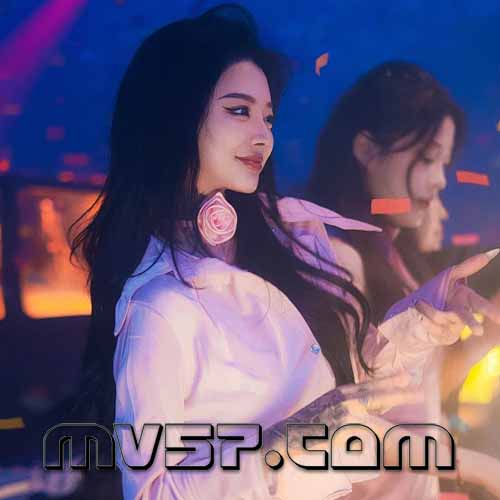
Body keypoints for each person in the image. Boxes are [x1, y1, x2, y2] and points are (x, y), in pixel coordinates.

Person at [69, 10, 500, 500]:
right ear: (176, 118)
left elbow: (348, 399)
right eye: (239, 111)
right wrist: (288, 442)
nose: (262, 136)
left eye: (268, 117)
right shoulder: (160, 307)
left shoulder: (281, 250)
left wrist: (420, 320)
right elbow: (152, 493)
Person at [308, 60, 500, 498]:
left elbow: (412, 399)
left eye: (445, 163)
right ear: (365, 149)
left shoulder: (399, 261)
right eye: (428, 159)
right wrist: (478, 467)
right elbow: (337, 418)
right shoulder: (335, 257)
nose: (439, 181)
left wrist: (480, 338)